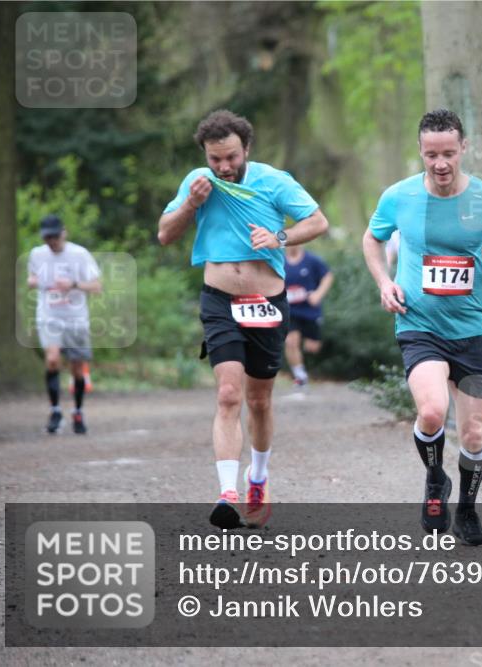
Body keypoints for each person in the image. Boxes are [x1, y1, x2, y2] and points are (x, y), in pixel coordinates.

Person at [158, 109, 329, 529]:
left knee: (259, 400)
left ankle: (258, 477)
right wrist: (192, 204)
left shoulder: (274, 181)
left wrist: (280, 237)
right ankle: (226, 494)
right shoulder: (198, 182)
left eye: (231, 157)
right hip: (219, 301)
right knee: (229, 394)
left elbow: (318, 221)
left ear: (246, 149)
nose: (223, 167)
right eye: (215, 159)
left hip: (267, 302)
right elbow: (165, 233)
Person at [362, 109, 482, 546]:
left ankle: (467, 511)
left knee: (473, 433)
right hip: (419, 324)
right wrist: (384, 282)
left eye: (449, 153)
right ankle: (435, 478)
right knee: (431, 412)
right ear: (421, 152)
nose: (441, 163)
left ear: (463, 148)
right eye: (432, 154)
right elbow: (371, 238)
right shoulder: (399, 196)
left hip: (471, 329)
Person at [27, 215, 102, 435]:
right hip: (49, 316)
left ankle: (78, 411)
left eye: (55, 236)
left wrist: (74, 284)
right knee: (52, 360)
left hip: (76, 318)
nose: (52, 241)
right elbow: (32, 278)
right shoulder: (37, 254)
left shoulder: (79, 254)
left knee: (77, 369)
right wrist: (33, 282)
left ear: (64, 233)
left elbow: (97, 286)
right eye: (47, 237)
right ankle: (55, 410)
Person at [284, 244, 334, 388]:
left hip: (310, 311)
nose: (293, 245)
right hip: (290, 311)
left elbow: (328, 276)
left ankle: (311, 371)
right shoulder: (280, 261)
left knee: (313, 347)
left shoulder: (312, 260)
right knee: (291, 342)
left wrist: (318, 294)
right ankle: (300, 376)